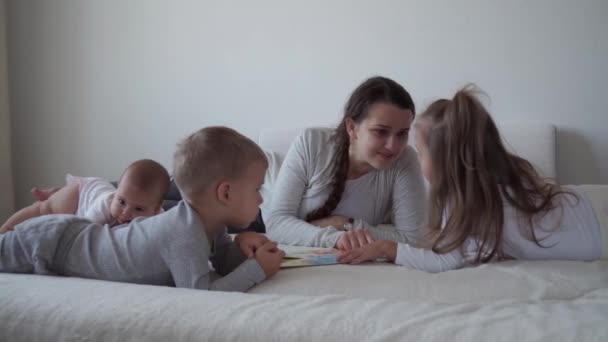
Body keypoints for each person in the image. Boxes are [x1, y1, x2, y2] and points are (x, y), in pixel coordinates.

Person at [338, 86, 606, 272]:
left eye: (421, 154)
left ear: (447, 161)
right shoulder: (499, 184)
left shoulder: (469, 203)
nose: (417, 162)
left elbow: (445, 262)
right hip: (590, 204)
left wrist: (387, 248)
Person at [0, 126, 285, 291]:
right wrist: (256, 271)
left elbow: (221, 263)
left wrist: (245, 252)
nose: (261, 200)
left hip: (75, 236)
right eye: (257, 189)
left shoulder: (212, 225)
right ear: (225, 192)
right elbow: (202, 293)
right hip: (54, 245)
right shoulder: (182, 232)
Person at [265, 76, 427, 249]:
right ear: (352, 127)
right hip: (255, 208)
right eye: (381, 132)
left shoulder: (405, 159)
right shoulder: (311, 142)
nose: (393, 146)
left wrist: (345, 223)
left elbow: (412, 238)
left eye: (402, 133)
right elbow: (277, 223)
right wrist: (335, 238)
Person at [0, 159, 171, 233]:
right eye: (121, 201)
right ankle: (5, 230)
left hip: (96, 189)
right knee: (44, 209)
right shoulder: (105, 204)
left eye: (138, 209)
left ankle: (55, 193)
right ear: (117, 191)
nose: (126, 213)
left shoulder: (160, 216)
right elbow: (82, 232)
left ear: (156, 208)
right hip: (81, 194)